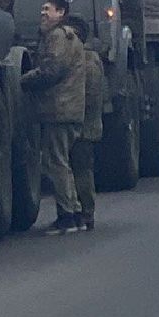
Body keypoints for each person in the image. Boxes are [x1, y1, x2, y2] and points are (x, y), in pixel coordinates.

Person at [21, 0, 86, 234]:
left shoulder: (59, 37)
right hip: (67, 109)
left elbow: (52, 70)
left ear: (61, 12)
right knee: (62, 162)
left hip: (60, 110)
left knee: (55, 163)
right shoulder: (69, 37)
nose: (43, 13)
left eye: (47, 10)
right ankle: (75, 213)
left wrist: (23, 80)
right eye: (42, 9)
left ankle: (67, 216)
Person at [63, 15, 104, 232]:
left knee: (80, 170)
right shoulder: (92, 58)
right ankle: (84, 212)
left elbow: (87, 94)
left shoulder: (85, 60)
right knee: (80, 169)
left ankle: (84, 212)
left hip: (82, 124)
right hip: (88, 124)